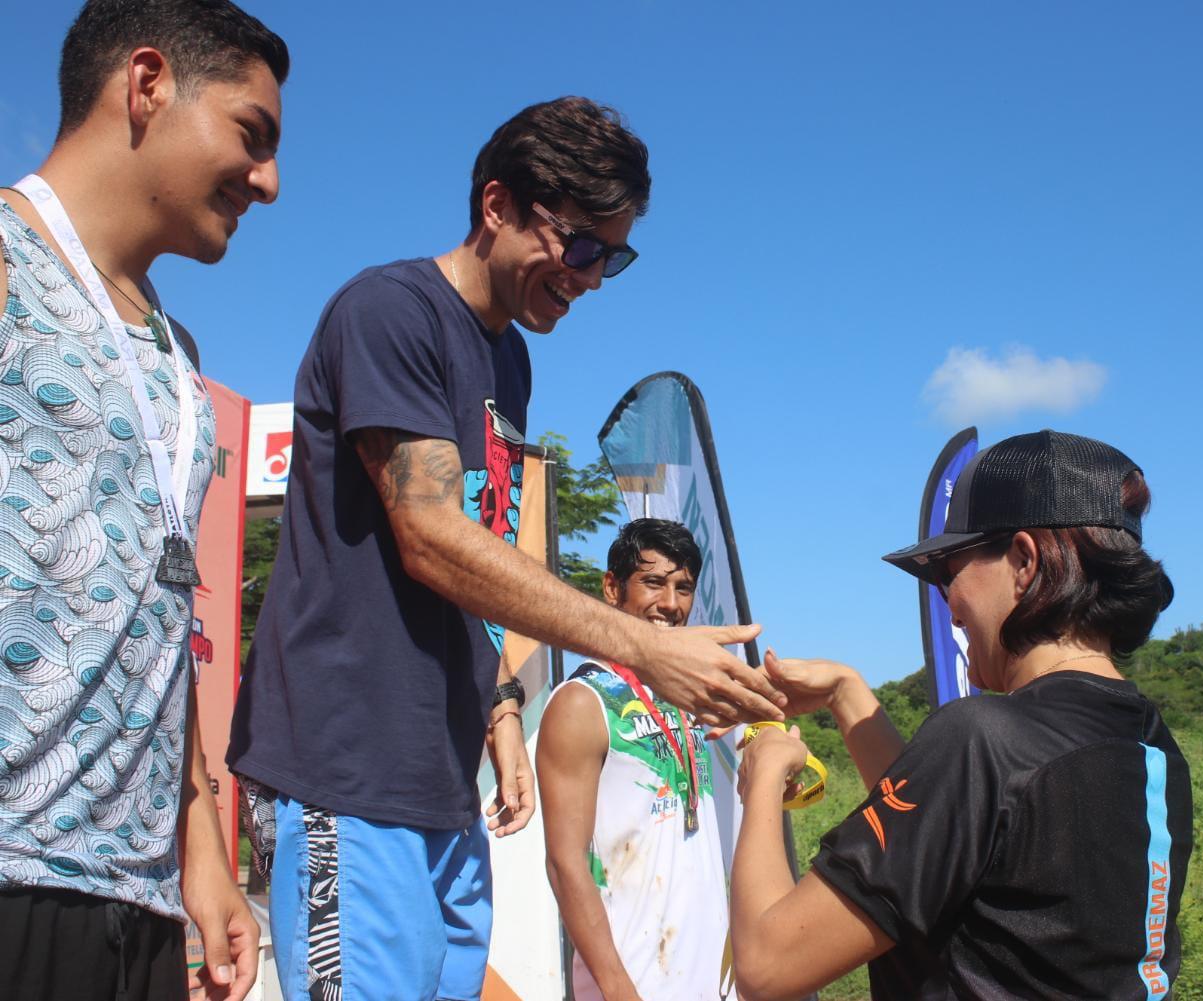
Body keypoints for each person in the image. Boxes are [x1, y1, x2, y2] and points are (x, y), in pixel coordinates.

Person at [226, 97, 781, 1001]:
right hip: (348, 770)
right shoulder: (390, 311)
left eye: (614, 256)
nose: (592, 277)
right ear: (497, 205)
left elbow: (474, 570)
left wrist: (501, 714)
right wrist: (642, 647)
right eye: (582, 244)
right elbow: (433, 539)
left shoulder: (509, 360)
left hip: (443, 782)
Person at [0, 2, 288, 999]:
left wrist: (201, 843)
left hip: (139, 899)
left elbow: (157, 619)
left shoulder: (176, 357)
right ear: (148, 83)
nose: (268, 181)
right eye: (252, 134)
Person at [730, 429, 1193, 1000]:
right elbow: (958, 829)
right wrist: (846, 693)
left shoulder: (984, 737)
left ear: (1023, 561)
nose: (949, 604)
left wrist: (762, 774)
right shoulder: (1151, 744)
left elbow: (767, 964)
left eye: (951, 574)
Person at [539, 519, 734, 1001]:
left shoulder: (691, 695)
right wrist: (617, 988)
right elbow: (565, 863)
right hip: (632, 983)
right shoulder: (583, 701)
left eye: (683, 587)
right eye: (653, 582)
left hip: (711, 980)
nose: (670, 603)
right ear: (612, 588)